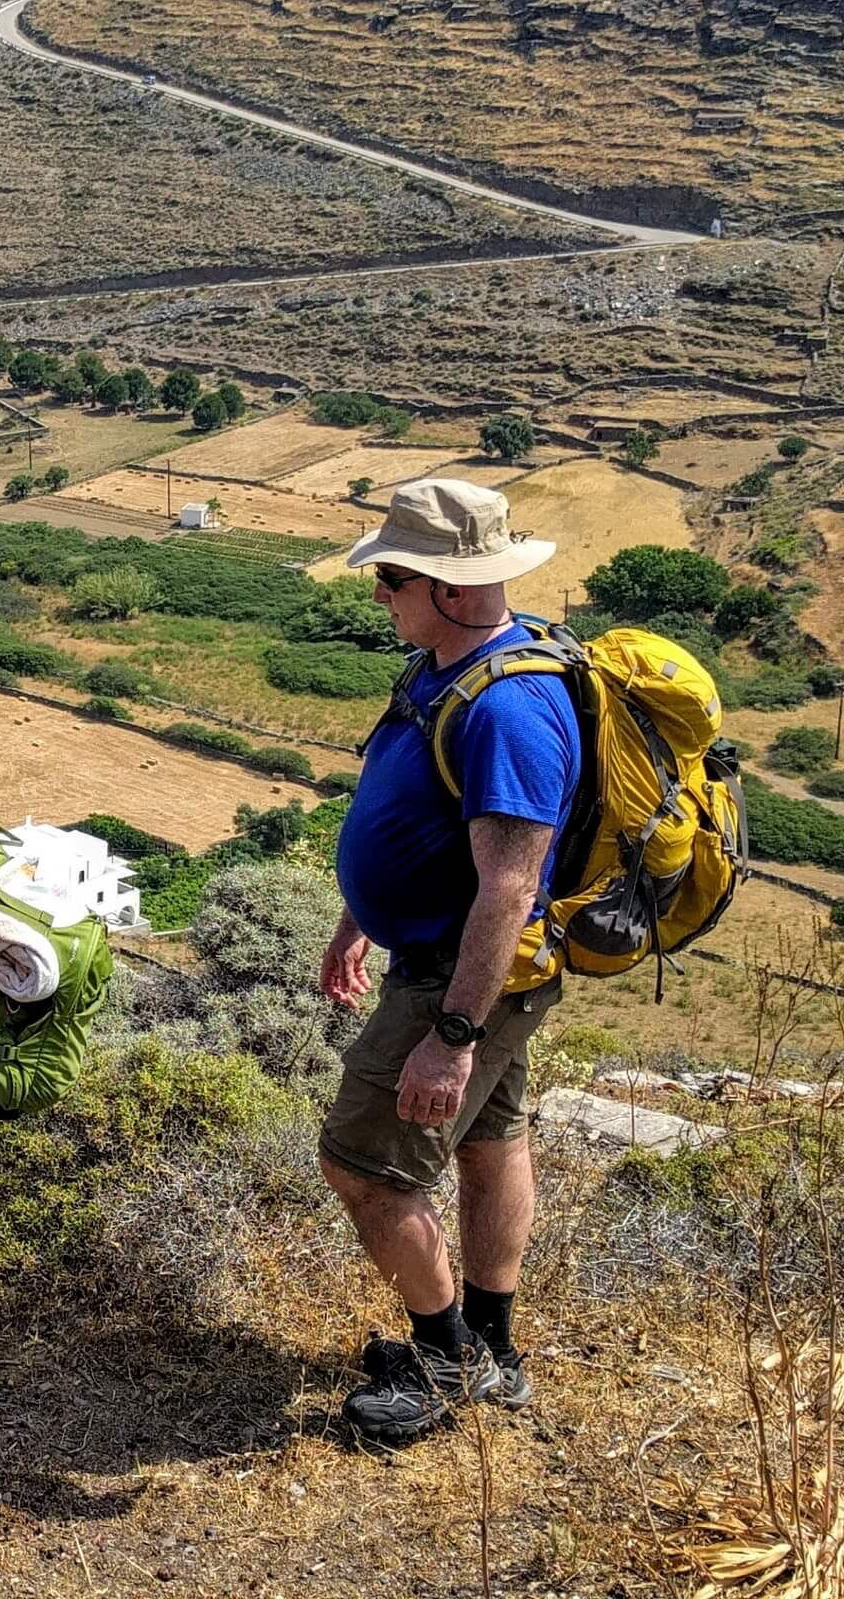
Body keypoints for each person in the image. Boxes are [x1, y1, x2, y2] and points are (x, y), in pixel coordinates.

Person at [322, 480, 577, 1444]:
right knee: (486, 1142)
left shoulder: (510, 708)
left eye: (394, 578)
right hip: (443, 958)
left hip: (464, 976)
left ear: (460, 590)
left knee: (364, 1165)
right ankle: (492, 1347)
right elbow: (417, 810)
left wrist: (453, 1034)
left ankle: (445, 1363)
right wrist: (361, 912)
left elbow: (508, 886)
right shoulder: (448, 665)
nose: (380, 594)